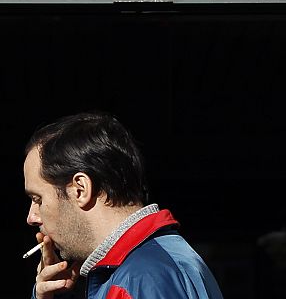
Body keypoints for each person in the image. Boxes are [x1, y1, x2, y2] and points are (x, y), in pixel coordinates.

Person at [23, 112, 224, 299]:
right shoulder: (149, 265)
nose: (32, 217)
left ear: (80, 189)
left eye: (38, 199)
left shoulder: (142, 279)